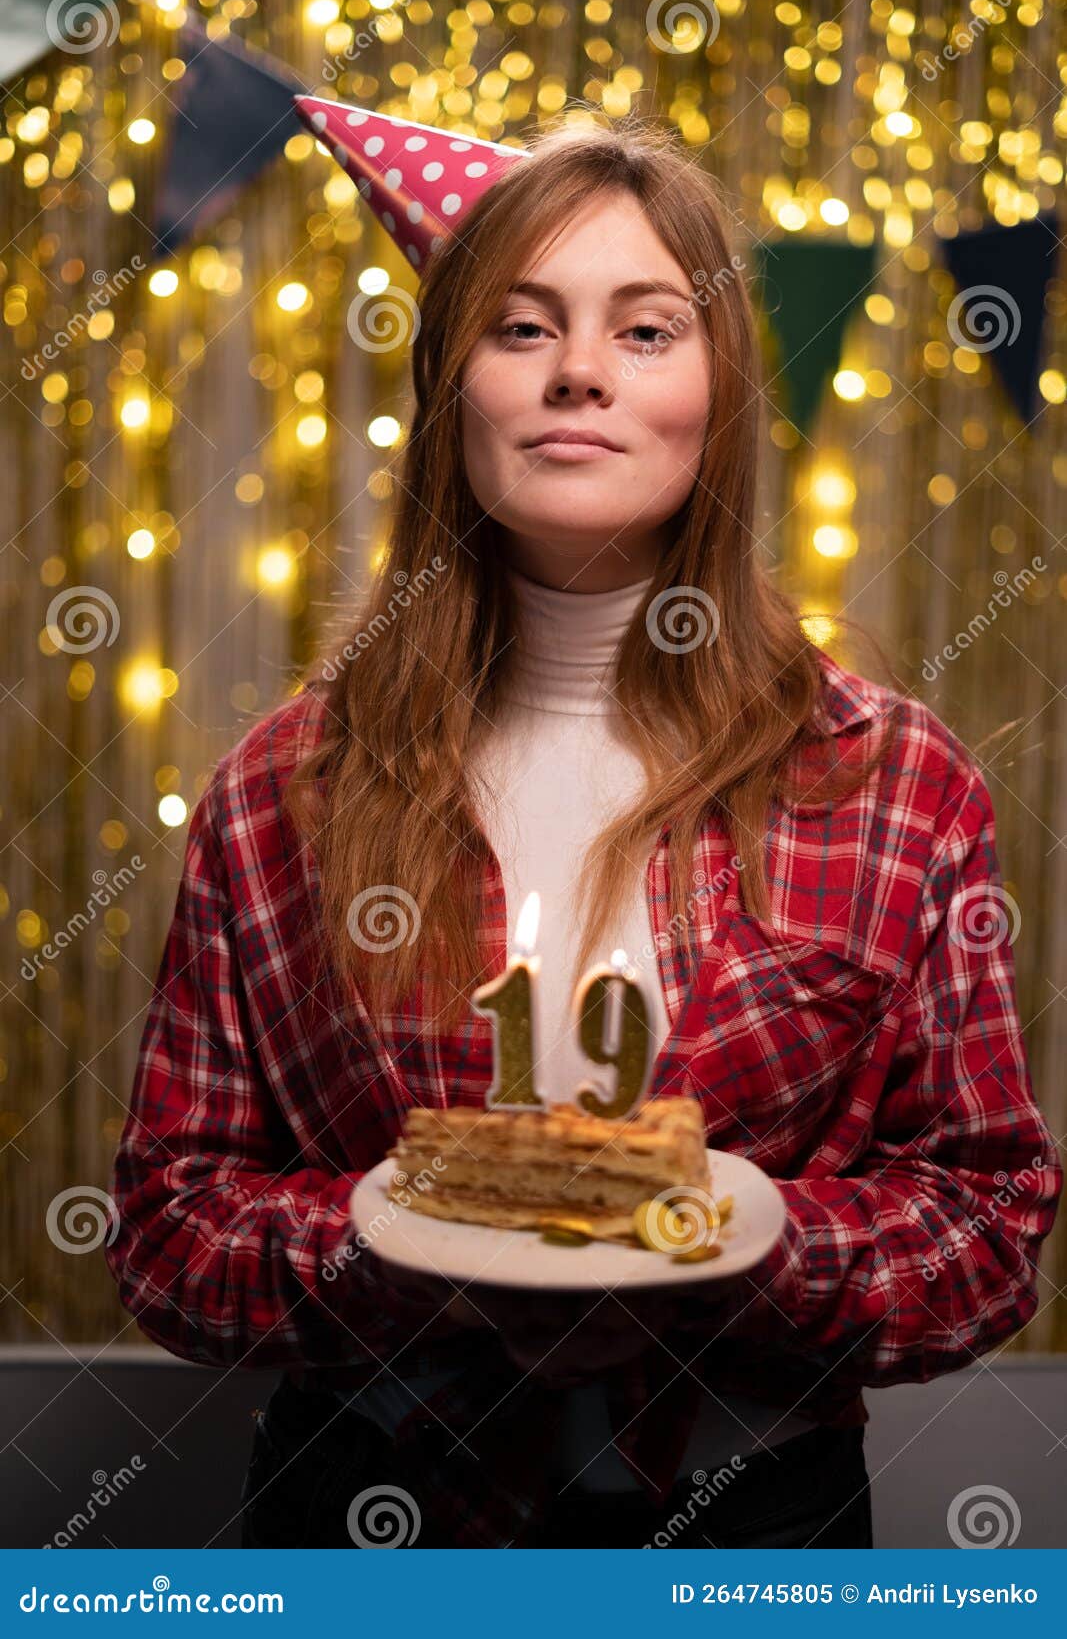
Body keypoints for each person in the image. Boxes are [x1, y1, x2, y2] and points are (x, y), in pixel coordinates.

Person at [105, 111, 1062, 1551]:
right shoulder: (285, 786)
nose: (578, 371)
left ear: (723, 390)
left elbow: (988, 1233)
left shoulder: (892, 781)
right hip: (375, 1522)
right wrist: (400, 1240)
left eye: (648, 329)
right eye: (519, 325)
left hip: (754, 1529)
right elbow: (171, 1231)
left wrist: (749, 1240)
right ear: (452, 392)